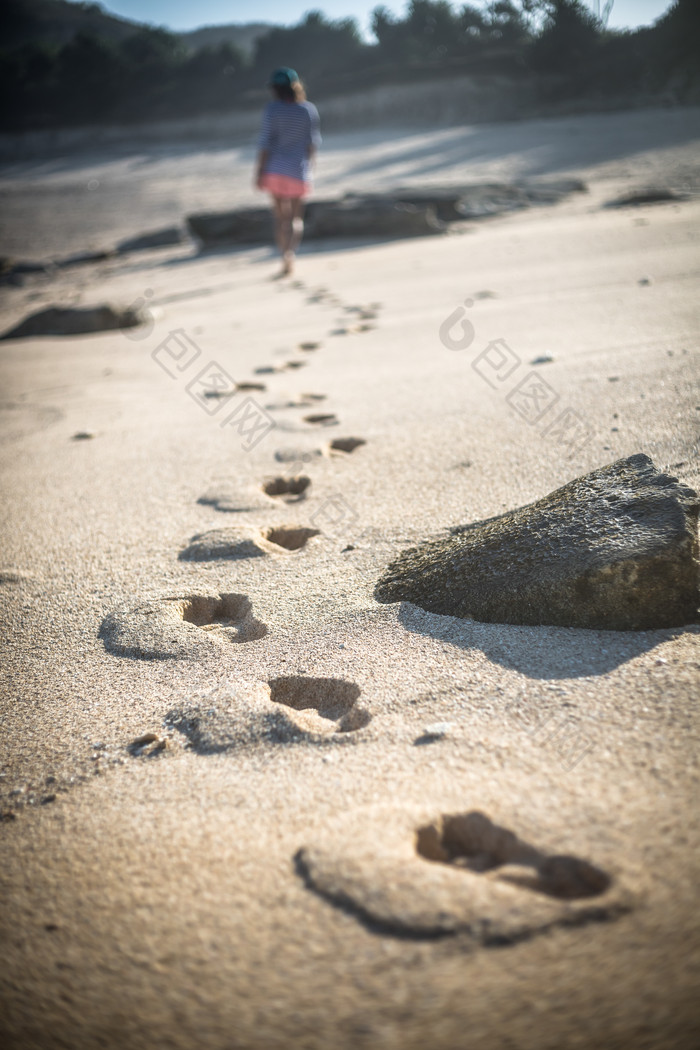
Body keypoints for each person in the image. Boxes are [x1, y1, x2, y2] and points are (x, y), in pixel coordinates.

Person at [254, 67, 321, 278]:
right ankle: (290, 253)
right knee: (295, 218)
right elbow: (312, 144)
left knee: (280, 218)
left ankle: (283, 254)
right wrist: (309, 168)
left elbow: (266, 143)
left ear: (275, 89)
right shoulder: (308, 110)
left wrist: (259, 172)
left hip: (274, 170)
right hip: (297, 170)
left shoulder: (272, 110)